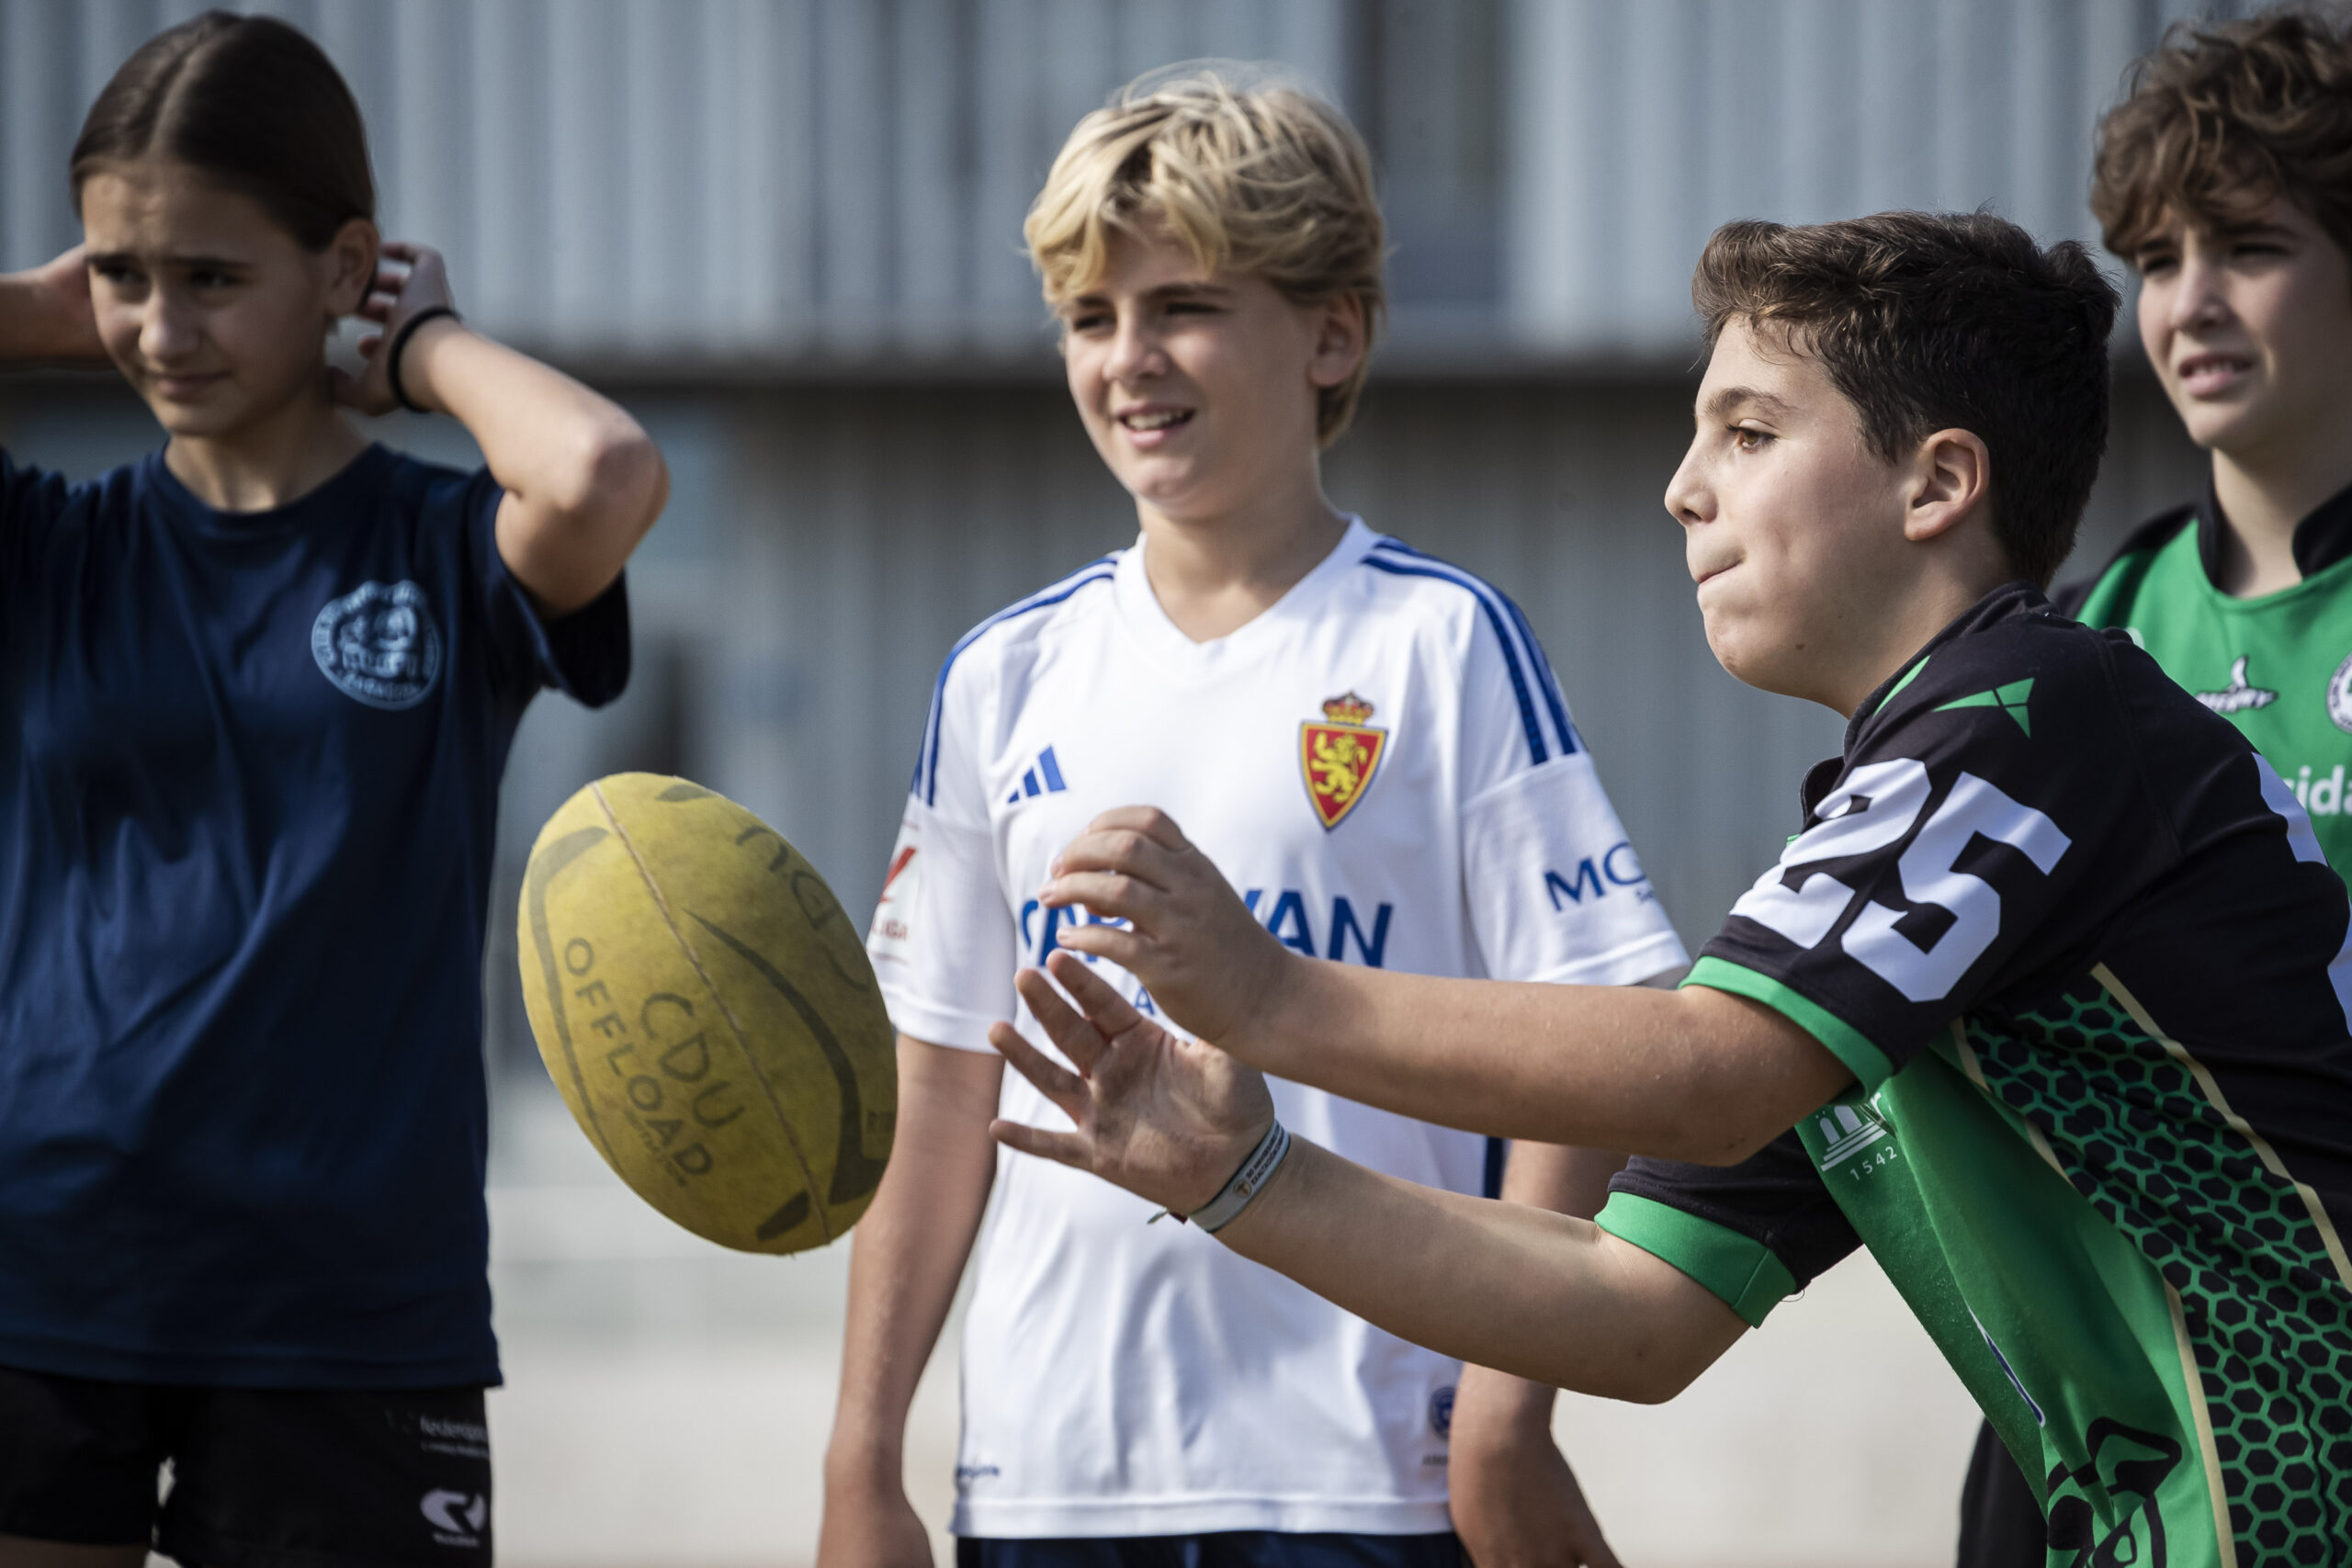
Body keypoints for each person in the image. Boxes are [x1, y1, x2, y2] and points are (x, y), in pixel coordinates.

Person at [982, 209, 2352, 1568]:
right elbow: (1630, 1307)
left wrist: (1271, 997)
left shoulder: (2036, 714)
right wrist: (1243, 1177)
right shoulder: (1901, 858)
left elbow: (1707, 1072)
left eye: (1749, 434)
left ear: (1936, 485)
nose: (1682, 488)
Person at [820, 65, 1686, 1568]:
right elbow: (943, 1090)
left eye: (1184, 308)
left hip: (1370, 1473)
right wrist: (861, 1458)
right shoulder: (1005, 672)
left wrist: (1501, 1416)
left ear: (1332, 333)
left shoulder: (1444, 642)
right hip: (1051, 1478)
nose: (1129, 361)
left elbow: (1593, 1013)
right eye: (1092, 320)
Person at [0, 13, 664, 1566]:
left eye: (212, 278)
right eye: (121, 276)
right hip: (45, 1270)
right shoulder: (49, 548)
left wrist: (420, 347)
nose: (160, 329)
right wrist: (43, 315)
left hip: (351, 1302)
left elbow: (601, 473)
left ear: (342, 262)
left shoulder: (445, 549)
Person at [1951, 11, 2352, 1560]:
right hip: (2116, 1378)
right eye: (2158, 258)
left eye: (2248, 246)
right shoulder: (2090, 641)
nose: (2189, 303)